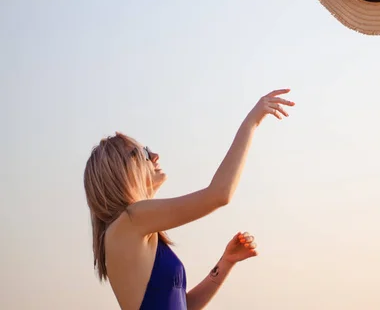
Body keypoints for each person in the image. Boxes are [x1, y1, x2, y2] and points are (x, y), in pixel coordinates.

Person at [83, 88, 295, 310]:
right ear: (121, 171)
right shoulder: (131, 220)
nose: (154, 156)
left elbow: (184, 305)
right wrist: (252, 121)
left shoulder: (135, 227)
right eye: (142, 153)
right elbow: (219, 194)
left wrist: (226, 262)